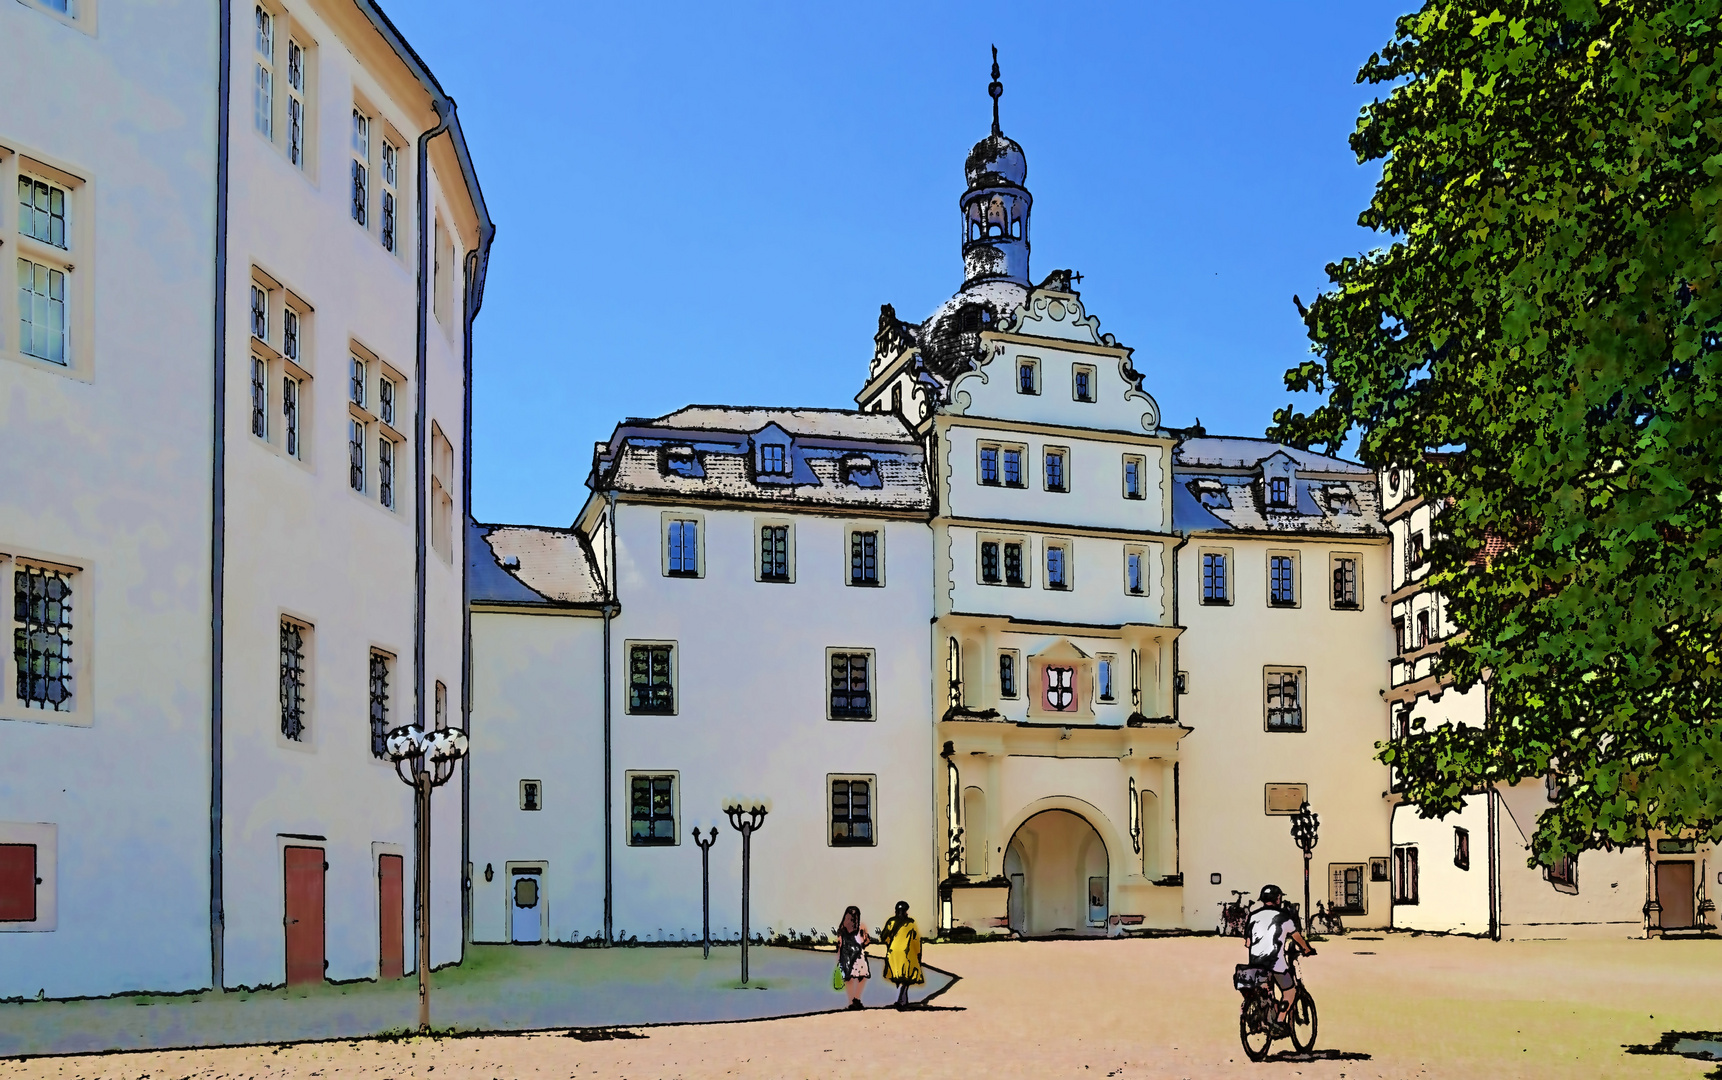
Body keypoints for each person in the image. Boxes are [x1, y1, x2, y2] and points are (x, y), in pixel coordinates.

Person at [1245, 884, 1315, 1036]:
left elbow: (1247, 943)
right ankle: (1280, 1021)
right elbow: (1297, 938)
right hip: (1275, 961)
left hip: (1255, 963)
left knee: (1265, 991)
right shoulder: (1284, 917)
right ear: (1278, 899)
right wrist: (1307, 949)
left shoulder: (1253, 916)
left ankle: (1262, 1014)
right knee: (1290, 991)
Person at [880, 900, 924, 1008]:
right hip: (907, 952)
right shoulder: (911, 923)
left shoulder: (891, 922)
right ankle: (901, 999)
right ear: (906, 911)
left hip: (893, 952)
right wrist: (918, 954)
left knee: (898, 976)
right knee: (906, 976)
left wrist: (889, 943)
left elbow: (883, 936)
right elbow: (916, 940)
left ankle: (901, 999)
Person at [836, 905, 871, 1010]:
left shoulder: (843, 927)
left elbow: (840, 944)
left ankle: (852, 1001)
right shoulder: (861, 926)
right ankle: (857, 998)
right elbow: (867, 940)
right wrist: (863, 943)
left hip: (846, 955)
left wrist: (839, 958)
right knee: (862, 977)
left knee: (849, 979)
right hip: (858, 954)